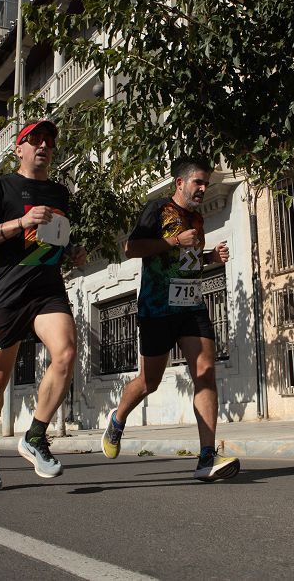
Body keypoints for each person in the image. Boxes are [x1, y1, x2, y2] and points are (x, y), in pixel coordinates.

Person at [101, 157, 240, 482]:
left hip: (191, 305)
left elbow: (186, 262)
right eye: (198, 183)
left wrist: (209, 258)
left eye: (206, 184)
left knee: (205, 371)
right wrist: (176, 240)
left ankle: (207, 457)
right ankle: (118, 420)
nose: (203, 189)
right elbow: (131, 247)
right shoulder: (157, 209)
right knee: (149, 381)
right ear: (180, 183)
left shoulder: (196, 217)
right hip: (157, 308)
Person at [0, 119, 87, 490]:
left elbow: (53, 238)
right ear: (18, 148)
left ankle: (35, 435)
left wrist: (72, 253)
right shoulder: (1, 186)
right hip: (7, 293)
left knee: (66, 353)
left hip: (47, 289)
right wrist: (20, 221)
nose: (43, 146)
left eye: (49, 141)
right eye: (34, 140)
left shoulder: (60, 193)